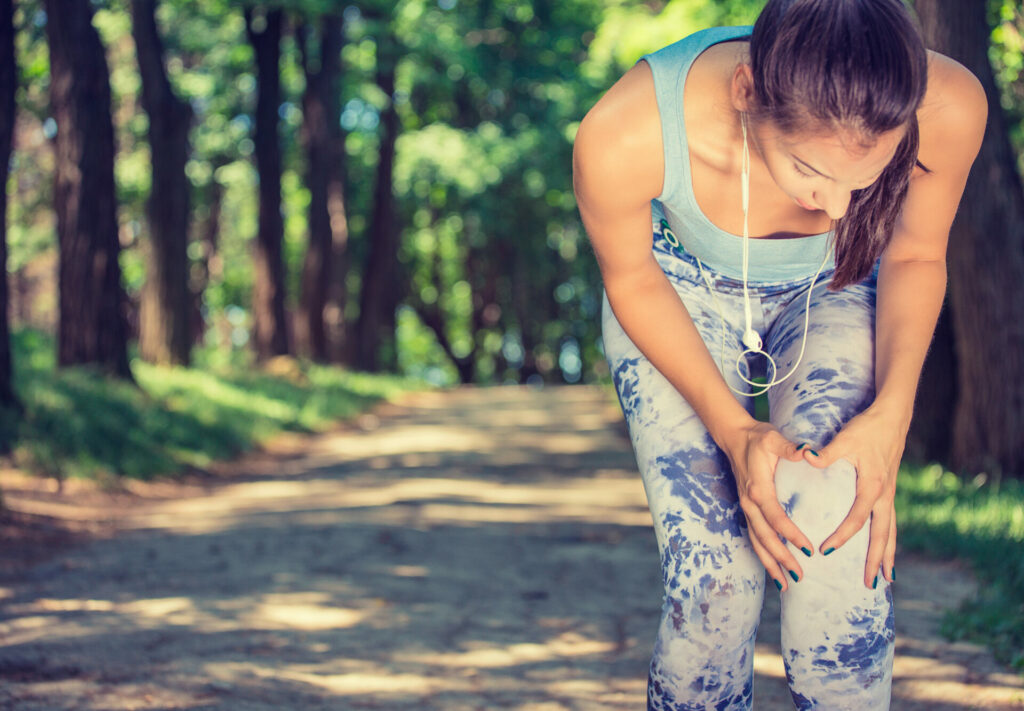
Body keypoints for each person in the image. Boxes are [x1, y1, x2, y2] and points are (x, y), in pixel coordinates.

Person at [572, 0, 987, 708]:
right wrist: (737, 432)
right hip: (675, 294)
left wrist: (891, 413)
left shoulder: (948, 105)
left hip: (836, 284)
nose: (834, 207)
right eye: (810, 171)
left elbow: (915, 252)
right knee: (717, 579)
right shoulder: (623, 134)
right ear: (746, 94)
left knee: (836, 529)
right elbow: (632, 277)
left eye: (863, 179)